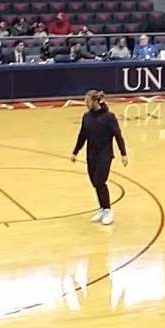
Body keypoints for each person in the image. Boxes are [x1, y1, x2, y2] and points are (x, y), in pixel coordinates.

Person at [72, 90, 126, 227]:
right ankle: (102, 208)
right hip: (91, 155)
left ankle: (108, 210)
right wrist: (75, 152)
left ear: (95, 101)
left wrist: (123, 153)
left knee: (100, 181)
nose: (85, 103)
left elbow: (118, 135)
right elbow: (82, 136)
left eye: (87, 101)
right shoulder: (86, 117)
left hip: (105, 155)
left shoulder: (109, 117)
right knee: (94, 183)